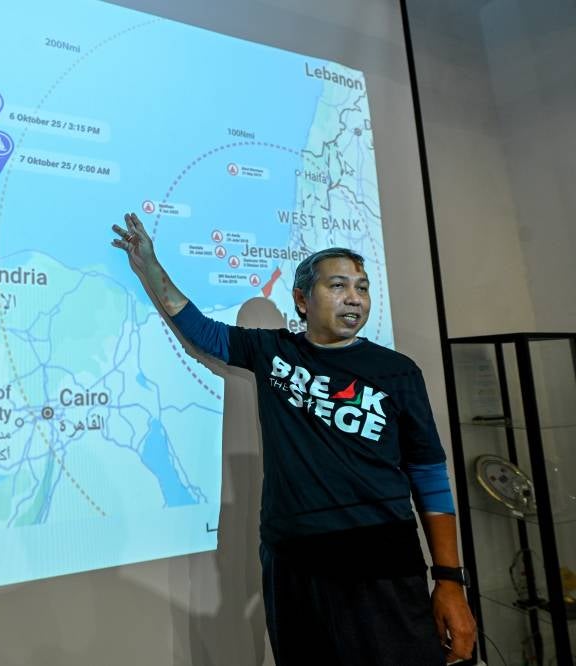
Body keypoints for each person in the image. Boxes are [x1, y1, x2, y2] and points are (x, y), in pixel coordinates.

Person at [111, 212, 476, 665]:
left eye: (362, 287)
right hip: (293, 561)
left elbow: (429, 476)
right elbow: (200, 330)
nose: (354, 297)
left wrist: (449, 580)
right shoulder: (273, 351)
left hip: (380, 559)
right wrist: (150, 268)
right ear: (302, 299)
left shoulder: (398, 372)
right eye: (338, 285)